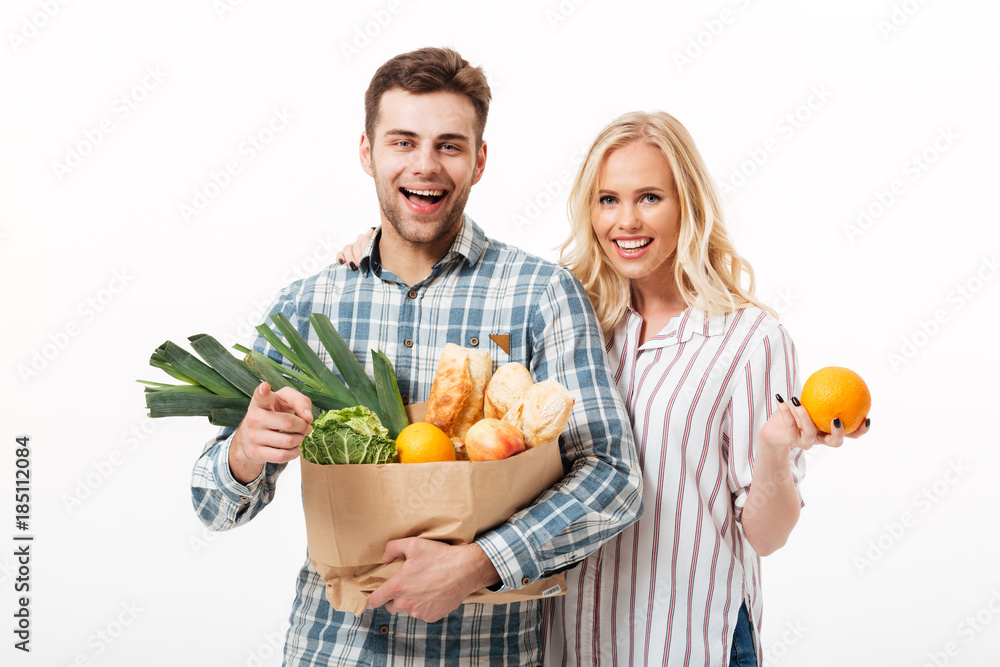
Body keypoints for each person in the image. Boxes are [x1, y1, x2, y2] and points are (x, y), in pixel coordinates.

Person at [339, 111, 869, 666]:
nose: (626, 222)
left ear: (687, 202)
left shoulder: (749, 339)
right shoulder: (567, 317)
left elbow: (766, 536)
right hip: (568, 644)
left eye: (649, 198)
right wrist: (379, 250)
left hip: (688, 641)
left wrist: (773, 453)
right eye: (608, 200)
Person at [190, 47, 643, 666]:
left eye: (450, 146)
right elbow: (214, 507)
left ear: (479, 159)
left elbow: (613, 478)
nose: (425, 166)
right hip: (332, 650)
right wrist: (245, 452)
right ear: (366, 151)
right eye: (402, 142)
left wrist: (479, 564)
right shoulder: (307, 307)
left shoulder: (539, 294)